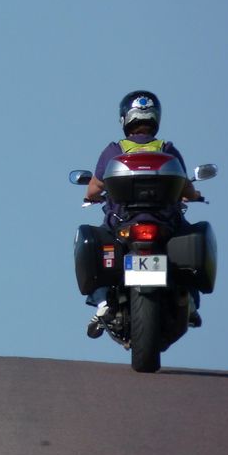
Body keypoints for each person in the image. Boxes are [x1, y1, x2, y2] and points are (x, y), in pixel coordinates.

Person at [83, 90, 203, 330]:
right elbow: (187, 188)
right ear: (155, 118)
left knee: (94, 244)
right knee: (192, 237)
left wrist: (91, 196)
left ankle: (103, 301)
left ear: (125, 118)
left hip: (122, 223)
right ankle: (188, 299)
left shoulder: (114, 150)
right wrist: (195, 195)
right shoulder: (166, 148)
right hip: (165, 223)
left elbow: (94, 189)